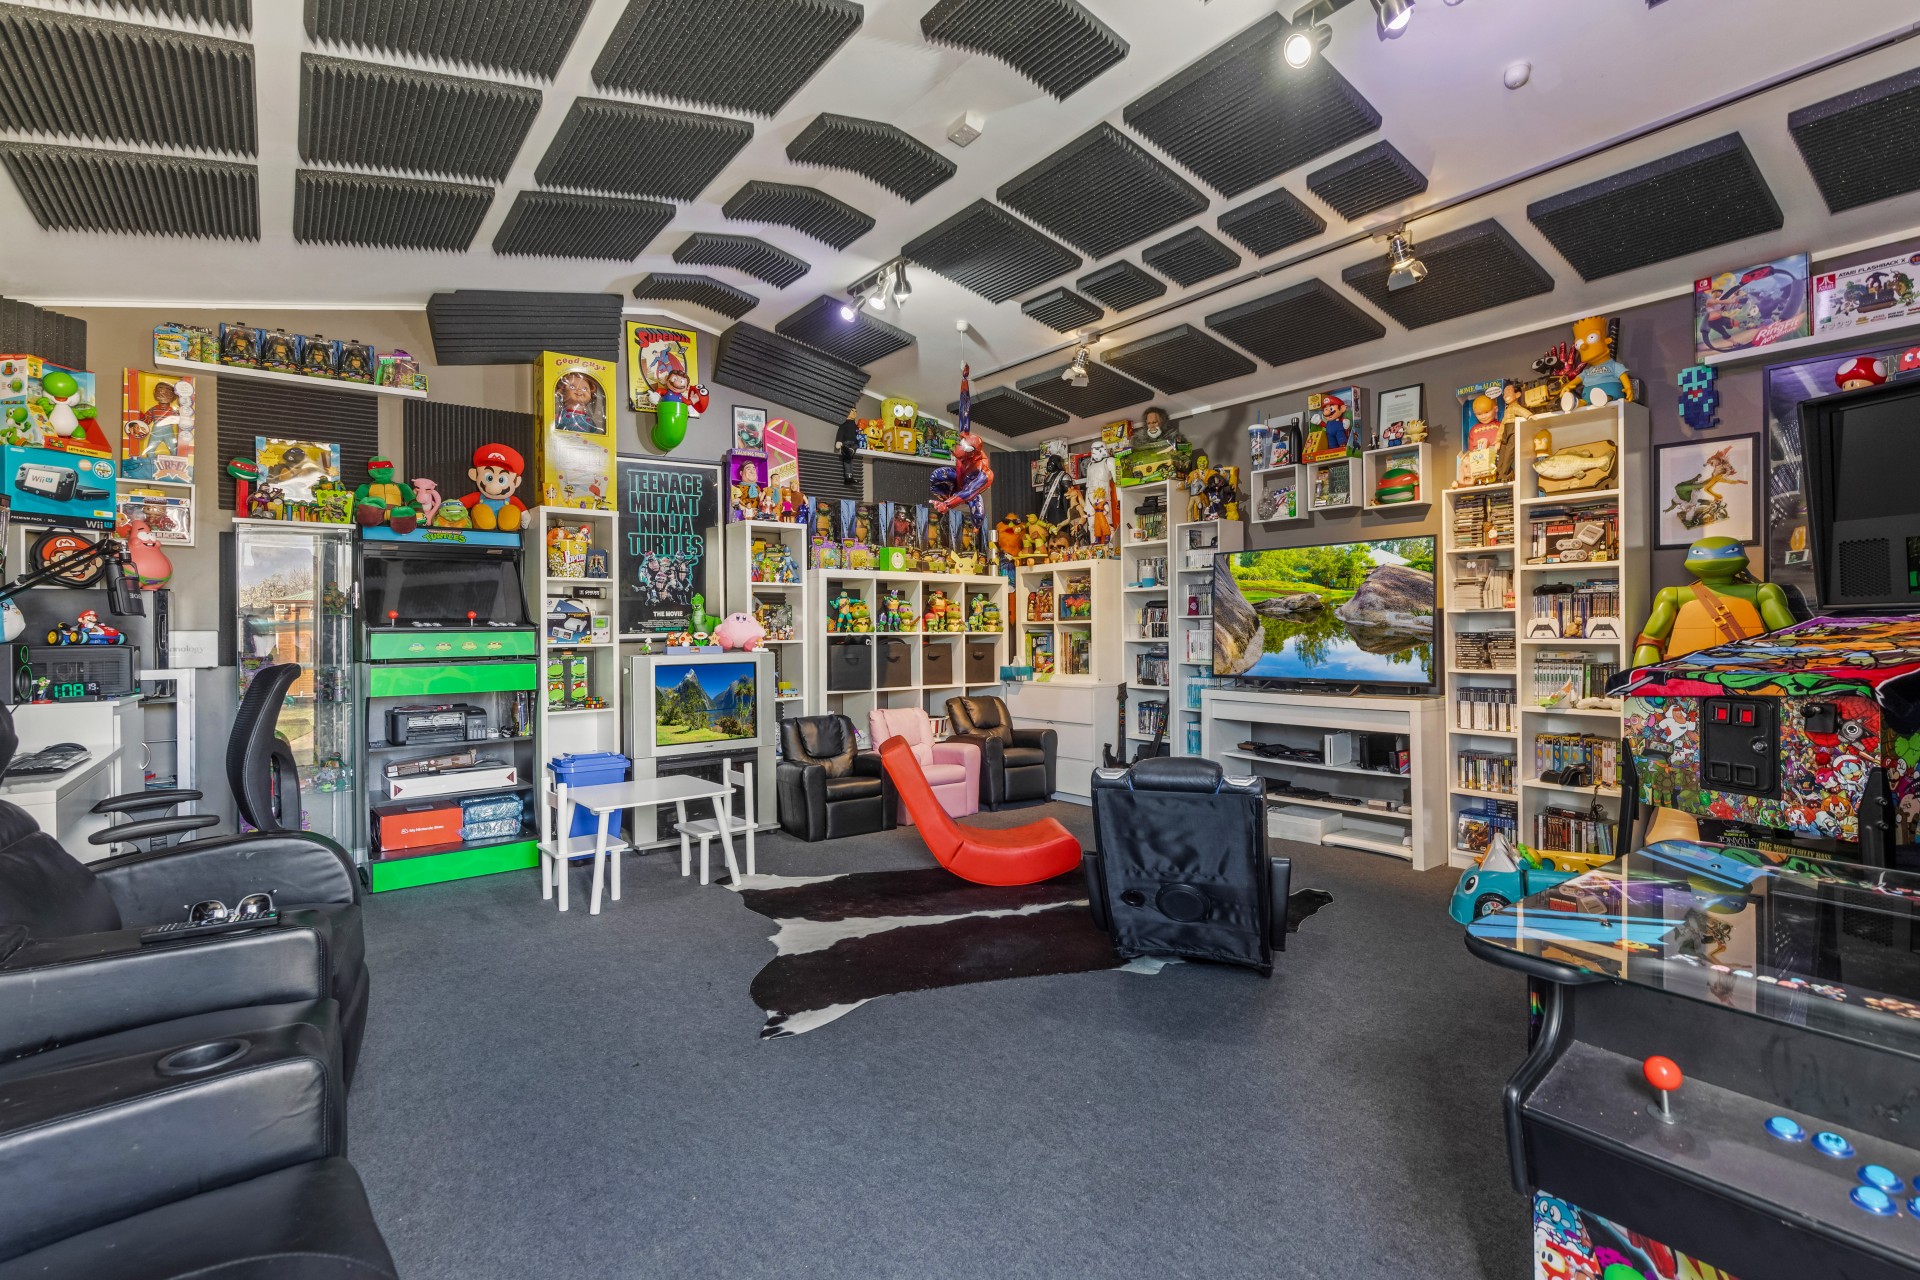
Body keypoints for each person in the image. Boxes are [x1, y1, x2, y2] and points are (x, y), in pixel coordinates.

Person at [461, 443, 528, 532]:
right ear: (474, 475)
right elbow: (460, 504)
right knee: (480, 509)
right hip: (483, 530)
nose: (494, 485)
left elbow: (523, 512)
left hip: (506, 533)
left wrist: (525, 517)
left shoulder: (512, 499)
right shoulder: (478, 496)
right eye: (489, 478)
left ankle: (508, 525)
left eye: (501, 480)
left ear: (516, 482)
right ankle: (485, 523)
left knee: (511, 510)